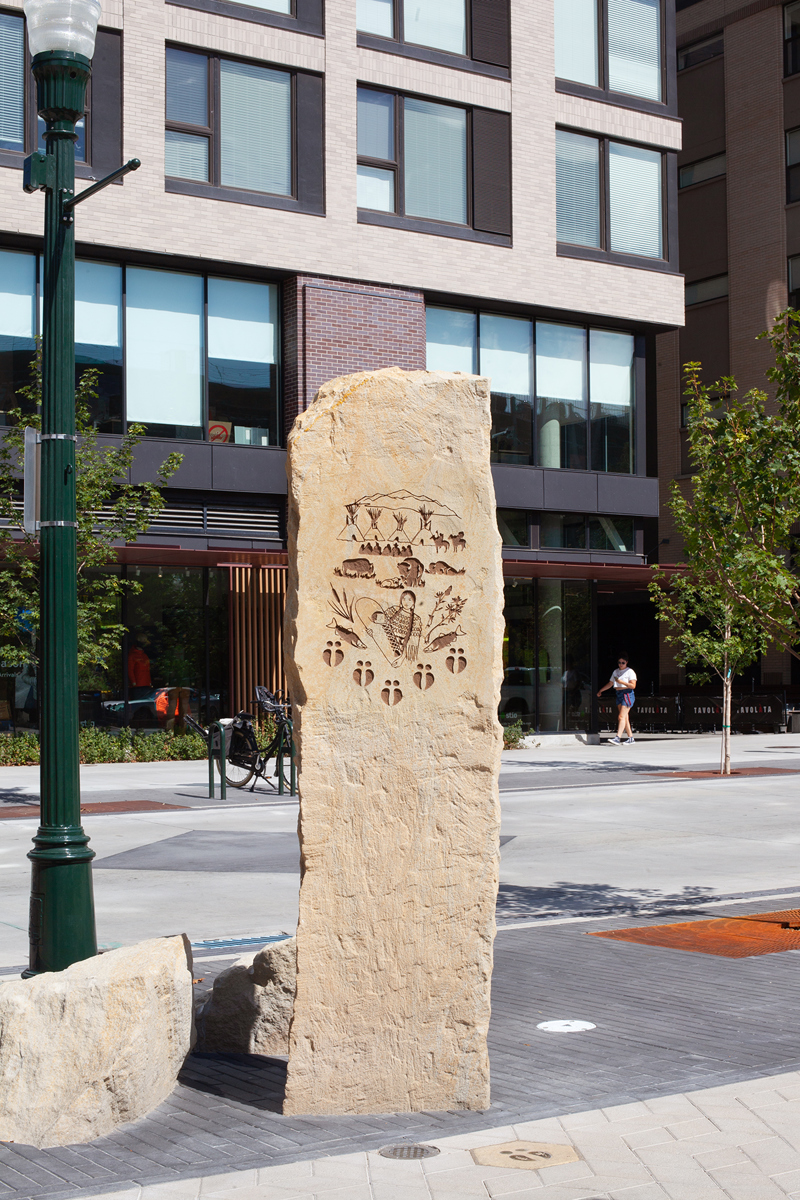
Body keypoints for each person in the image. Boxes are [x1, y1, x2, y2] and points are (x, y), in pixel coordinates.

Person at [597, 654, 637, 745]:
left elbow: (633, 685)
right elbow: (611, 683)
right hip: (619, 694)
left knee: (621, 717)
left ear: (626, 662)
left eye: (623, 663)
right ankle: (631, 738)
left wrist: (621, 682)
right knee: (625, 717)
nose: (621, 664)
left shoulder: (630, 672)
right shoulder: (615, 671)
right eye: (619, 662)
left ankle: (618, 737)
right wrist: (601, 690)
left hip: (627, 694)